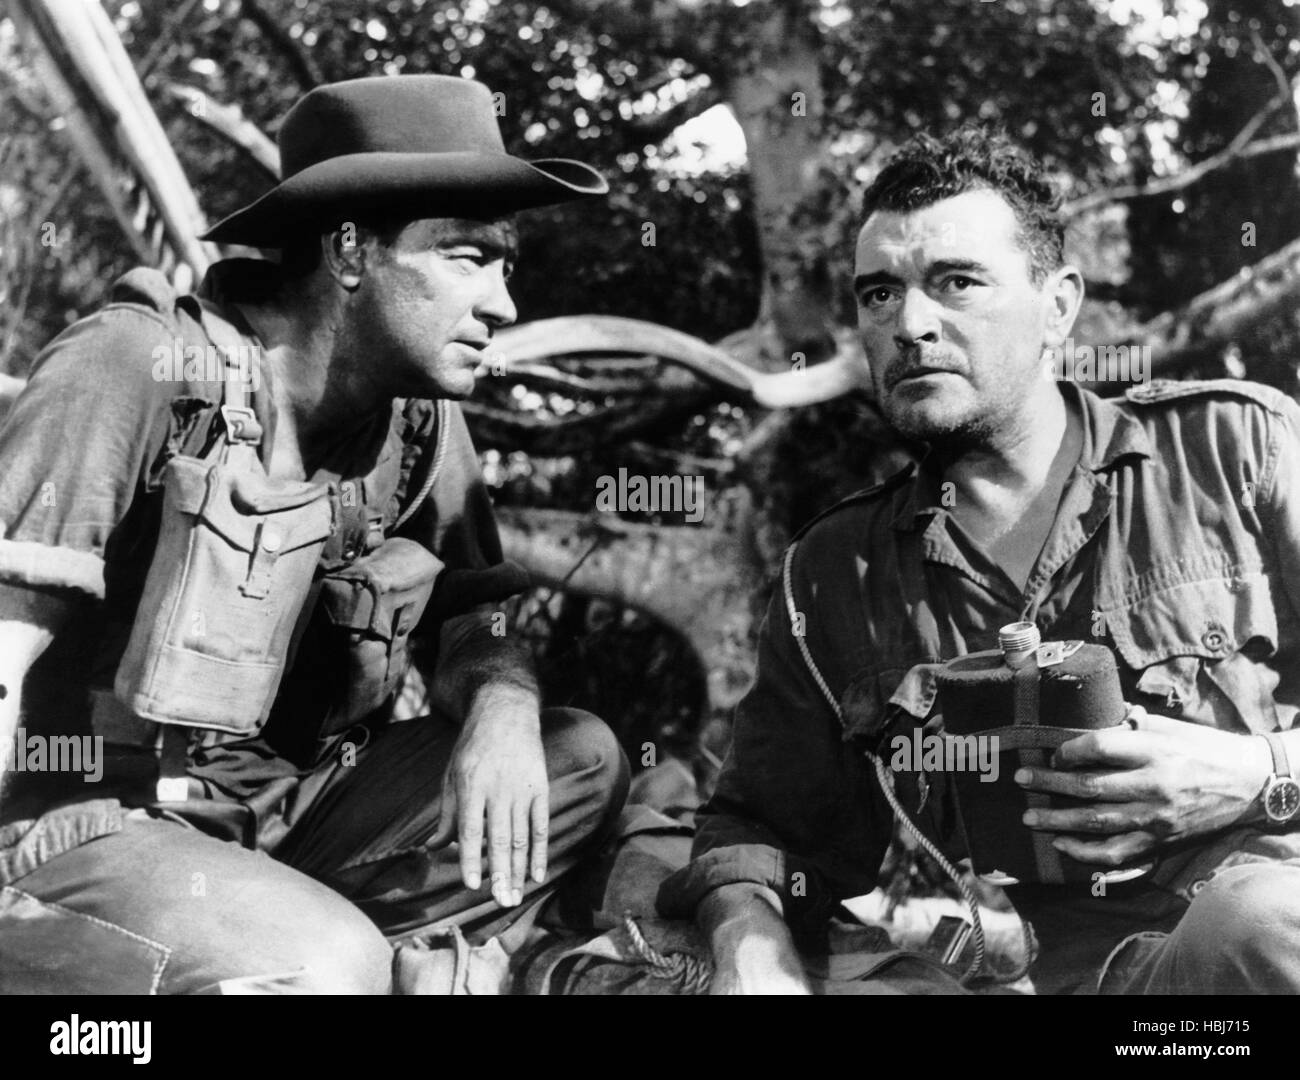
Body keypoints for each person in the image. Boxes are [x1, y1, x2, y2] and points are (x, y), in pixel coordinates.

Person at [0, 74, 628, 994]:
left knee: (582, 759)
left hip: (287, 817)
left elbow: (475, 618)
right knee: (332, 967)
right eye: (465, 258)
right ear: (346, 252)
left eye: (506, 265)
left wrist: (501, 706)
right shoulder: (135, 365)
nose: (503, 307)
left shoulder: (417, 424)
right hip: (81, 825)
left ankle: (283, 948)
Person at [658, 126, 1300, 995]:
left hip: (1276, 930)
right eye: (879, 294)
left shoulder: (1237, 448)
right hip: (1113, 997)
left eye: (956, 282)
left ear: (1059, 306)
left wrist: (1257, 775)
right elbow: (759, 822)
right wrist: (749, 940)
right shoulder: (840, 570)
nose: (911, 324)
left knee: (1256, 920)